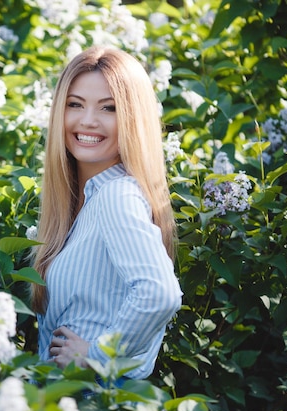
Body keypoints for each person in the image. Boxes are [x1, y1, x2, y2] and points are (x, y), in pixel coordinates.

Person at [31, 45, 183, 380]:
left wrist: (98, 355)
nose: (88, 120)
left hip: (92, 398)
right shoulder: (82, 202)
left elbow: (159, 293)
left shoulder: (117, 196)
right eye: (75, 104)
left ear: (132, 119)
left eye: (109, 108)